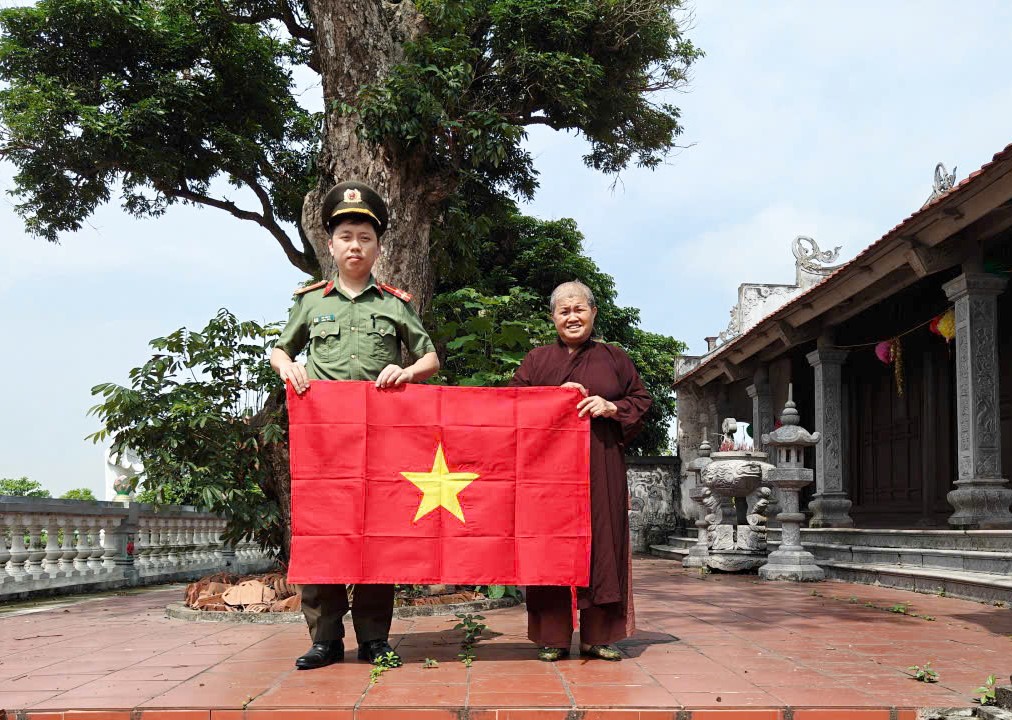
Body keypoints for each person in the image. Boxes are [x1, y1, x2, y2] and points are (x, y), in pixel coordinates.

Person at [270, 180, 440, 670]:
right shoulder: (311, 302)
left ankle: (372, 638)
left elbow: (430, 357)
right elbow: (281, 348)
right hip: (324, 440)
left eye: (365, 237)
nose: (355, 246)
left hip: (381, 441)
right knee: (322, 535)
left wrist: (406, 371)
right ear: (331, 243)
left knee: (376, 534)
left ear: (378, 246)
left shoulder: (393, 303)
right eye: (346, 236)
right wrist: (288, 366)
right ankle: (325, 639)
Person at [508, 280, 651, 662]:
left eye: (579, 309)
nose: (572, 317)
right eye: (563, 311)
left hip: (600, 464)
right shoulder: (537, 361)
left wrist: (611, 407)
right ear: (553, 317)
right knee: (549, 547)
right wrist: (551, 397)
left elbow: (641, 400)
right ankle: (552, 636)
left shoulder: (614, 358)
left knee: (604, 545)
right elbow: (512, 406)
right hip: (548, 475)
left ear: (593, 313)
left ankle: (598, 636)